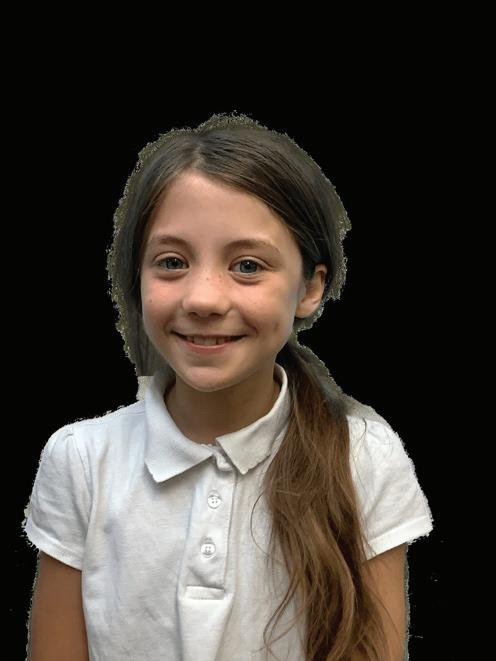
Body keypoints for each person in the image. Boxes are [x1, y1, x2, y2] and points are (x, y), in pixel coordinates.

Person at [22, 111, 433, 660]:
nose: (204, 298)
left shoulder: (365, 459)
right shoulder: (81, 461)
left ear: (310, 288)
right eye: (172, 262)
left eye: (247, 266)